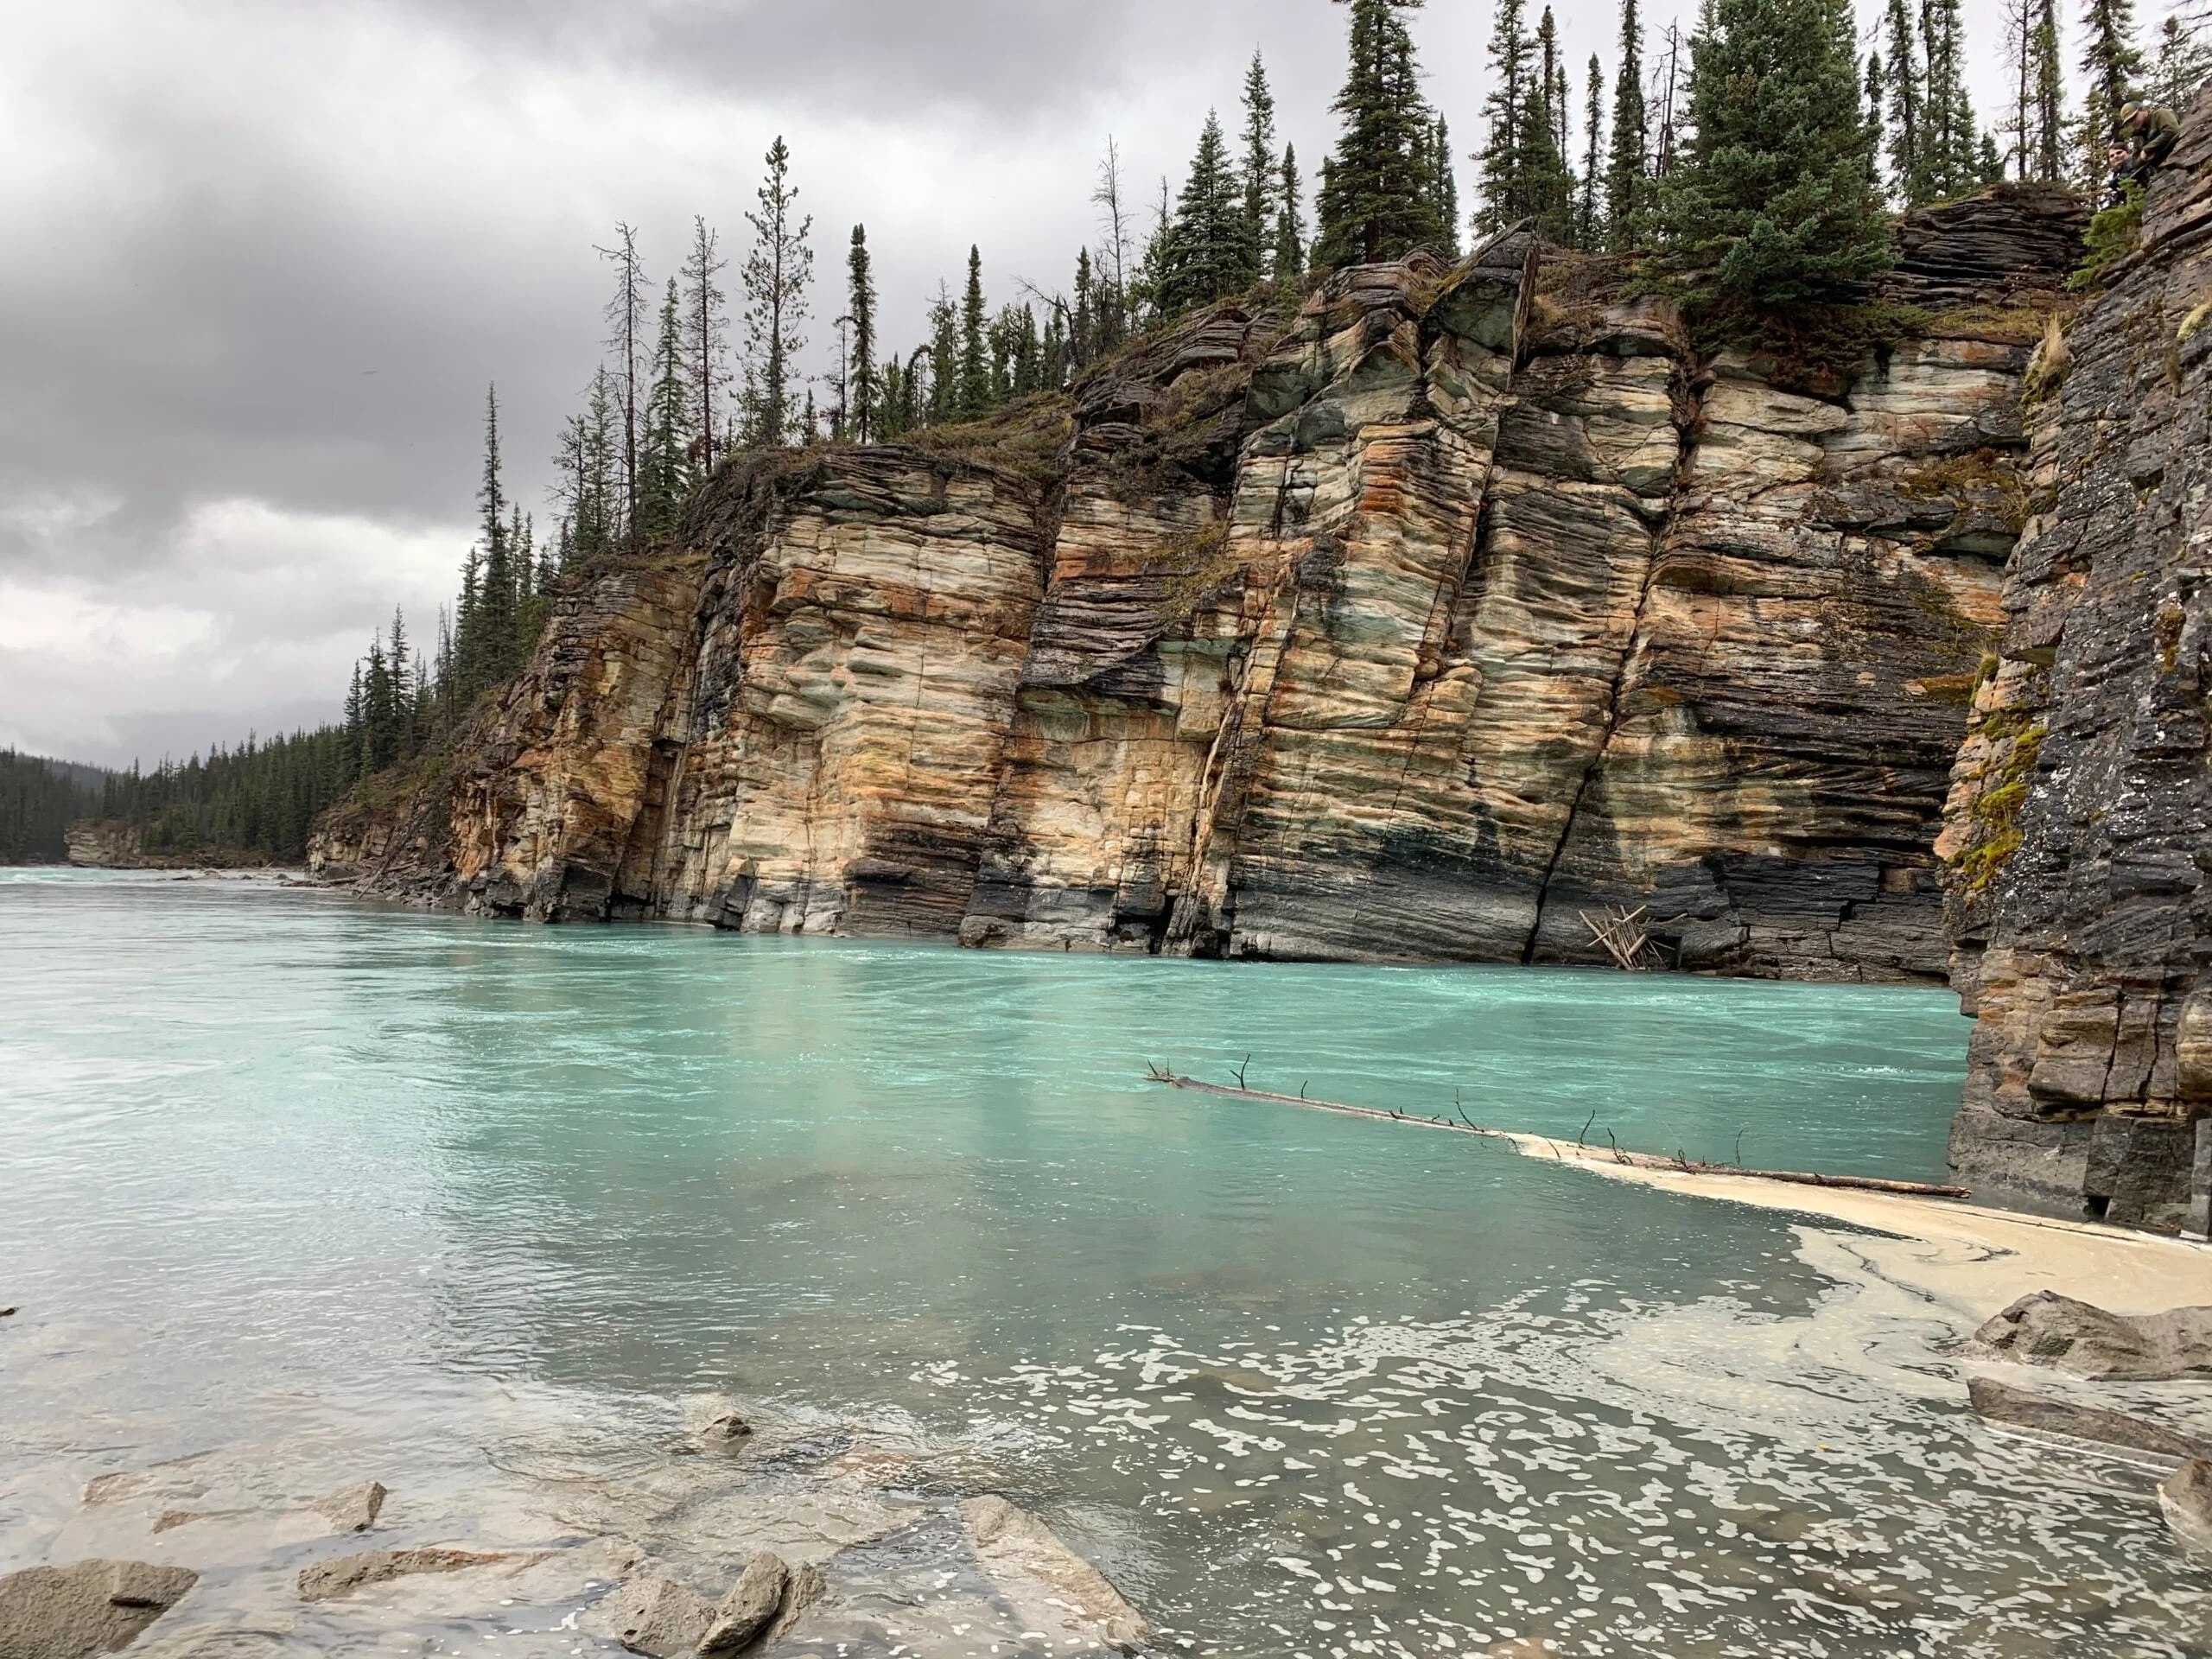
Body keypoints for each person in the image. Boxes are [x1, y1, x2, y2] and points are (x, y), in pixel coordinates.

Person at [2114, 101, 2182, 197]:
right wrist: (2143, 158)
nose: (2132, 123)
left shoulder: (2160, 114)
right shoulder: (2138, 137)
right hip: (2162, 170)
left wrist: (2147, 149)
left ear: (2143, 110)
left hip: (2179, 154)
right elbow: (2134, 162)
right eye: (2129, 121)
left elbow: (2172, 130)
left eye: (2134, 118)